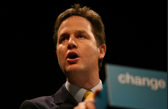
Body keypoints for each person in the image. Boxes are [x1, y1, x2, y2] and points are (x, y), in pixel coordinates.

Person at [20, 3, 106, 109]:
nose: (70, 42)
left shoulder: (127, 103)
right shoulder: (36, 107)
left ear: (101, 51)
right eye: (64, 39)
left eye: (81, 36)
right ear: (57, 55)